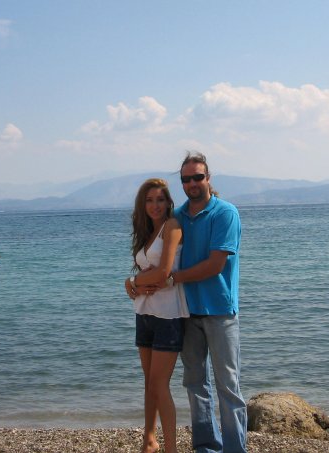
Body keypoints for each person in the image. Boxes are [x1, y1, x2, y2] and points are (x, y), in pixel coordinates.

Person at [170, 152, 247, 453]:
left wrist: (174, 278)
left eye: (197, 177)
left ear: (208, 178)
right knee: (194, 383)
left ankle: (235, 448)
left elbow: (215, 265)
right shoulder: (177, 217)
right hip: (186, 311)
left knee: (228, 385)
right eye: (186, 179)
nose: (192, 183)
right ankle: (206, 446)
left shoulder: (225, 213)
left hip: (220, 312)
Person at [124, 178, 189, 453]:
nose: (155, 205)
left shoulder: (171, 227)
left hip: (168, 316)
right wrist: (135, 284)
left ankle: (171, 448)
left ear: (168, 202)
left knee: (160, 385)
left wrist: (133, 282)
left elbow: (163, 273)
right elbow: (146, 274)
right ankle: (148, 441)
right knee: (149, 383)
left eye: (160, 200)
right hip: (144, 313)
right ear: (143, 204)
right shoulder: (147, 232)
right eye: (149, 200)